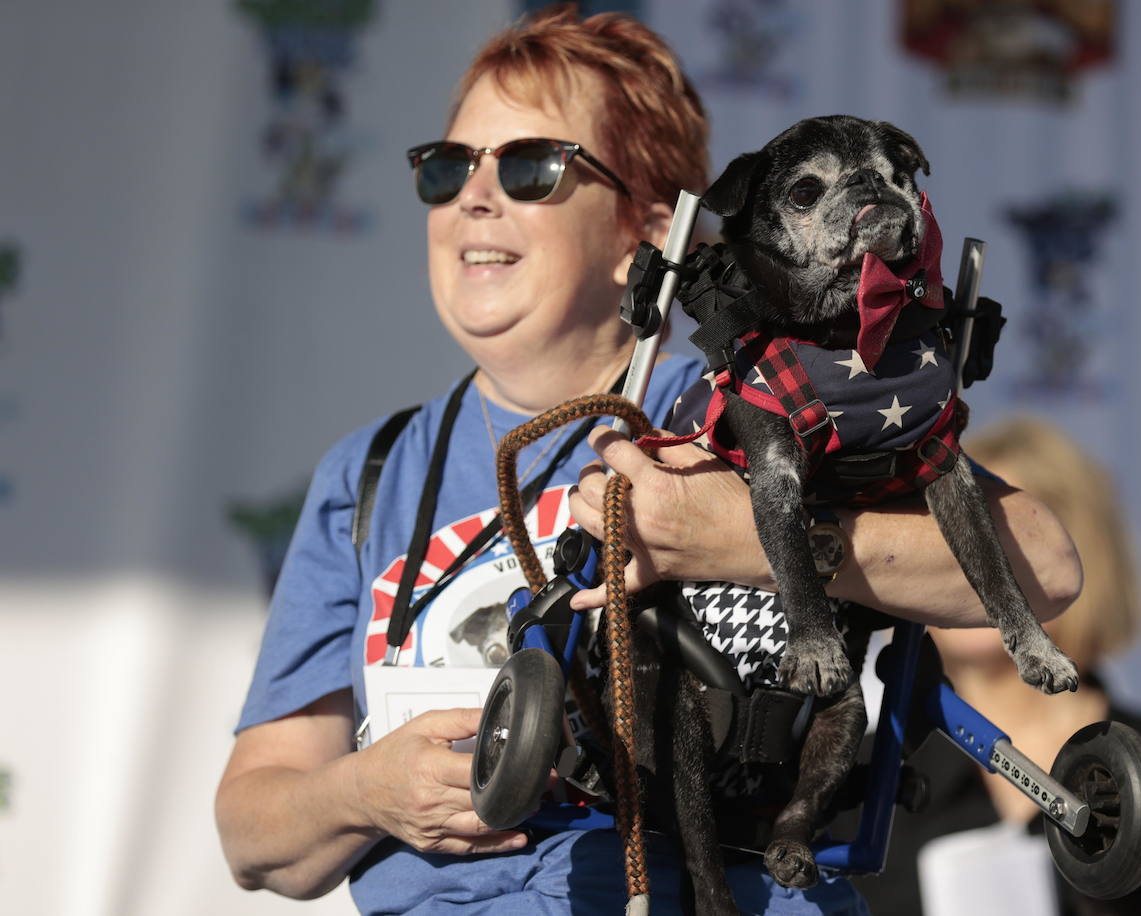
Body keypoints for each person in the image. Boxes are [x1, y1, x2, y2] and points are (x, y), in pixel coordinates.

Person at [214, 7, 1083, 913]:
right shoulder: (369, 473)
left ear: (652, 228)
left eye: (530, 167)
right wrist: (364, 790)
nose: (475, 196)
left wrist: (738, 538)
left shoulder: (753, 399)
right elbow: (255, 831)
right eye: (448, 167)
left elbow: (1047, 564)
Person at [853, 415, 1141, 916]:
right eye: (947, 537)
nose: (970, 566)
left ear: (1076, 555)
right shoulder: (861, 779)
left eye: (998, 538)